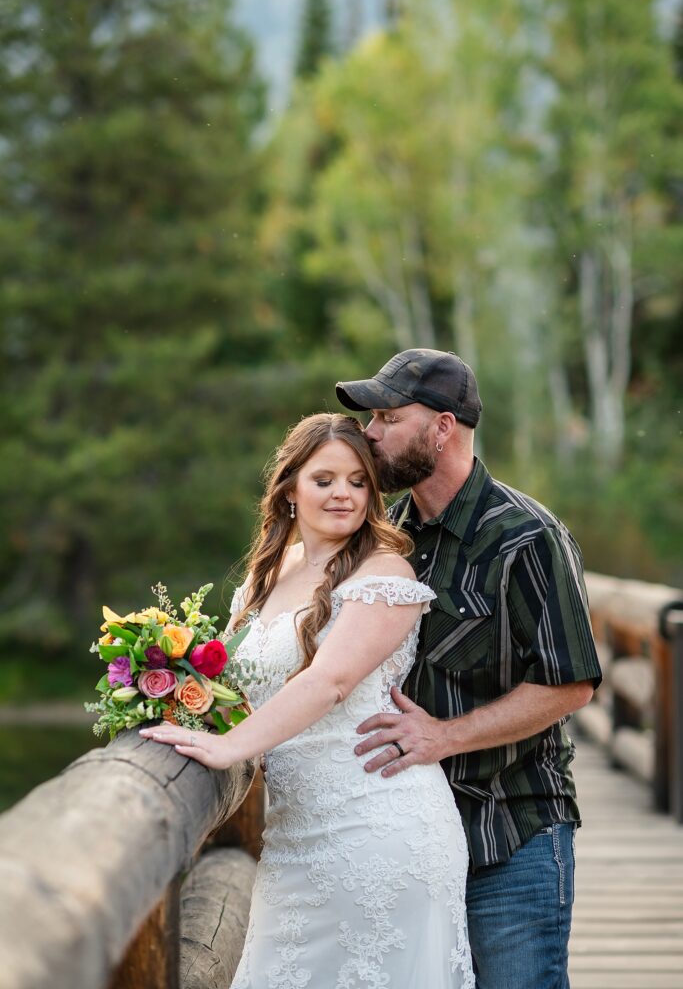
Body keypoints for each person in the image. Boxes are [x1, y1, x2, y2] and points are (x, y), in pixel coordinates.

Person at [141, 412, 474, 989]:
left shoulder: (384, 573)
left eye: (358, 481)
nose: (342, 494)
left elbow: (330, 682)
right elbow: (240, 682)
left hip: (378, 827)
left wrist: (229, 748)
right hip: (294, 834)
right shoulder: (269, 574)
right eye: (324, 480)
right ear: (291, 489)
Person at [335, 349, 603, 989]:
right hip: (405, 840)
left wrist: (445, 736)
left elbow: (572, 684)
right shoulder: (388, 539)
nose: (369, 434)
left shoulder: (526, 535)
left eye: (388, 418)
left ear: (442, 428)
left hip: (509, 836)